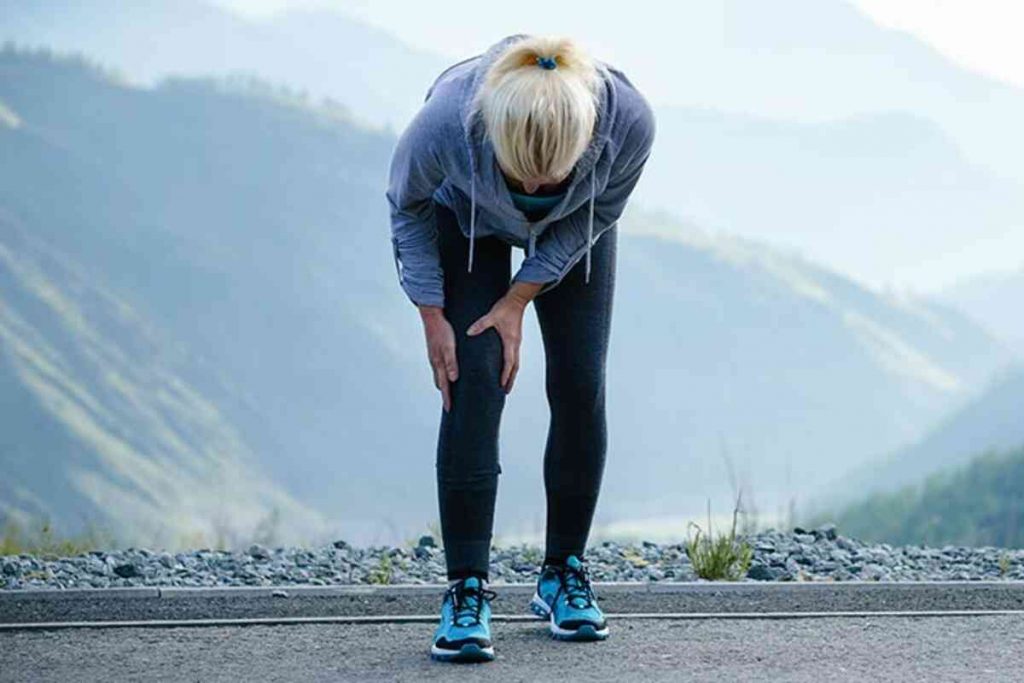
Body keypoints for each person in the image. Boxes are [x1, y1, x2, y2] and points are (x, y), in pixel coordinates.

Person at [385, 33, 655, 663]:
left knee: (580, 381)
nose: (533, 187)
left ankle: (563, 571)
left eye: (549, 177)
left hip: (577, 227)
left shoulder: (628, 125)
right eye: (519, 175)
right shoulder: (445, 125)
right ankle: (466, 588)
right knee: (471, 376)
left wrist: (518, 299)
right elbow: (406, 207)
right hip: (466, 219)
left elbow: (603, 214)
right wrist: (431, 311)